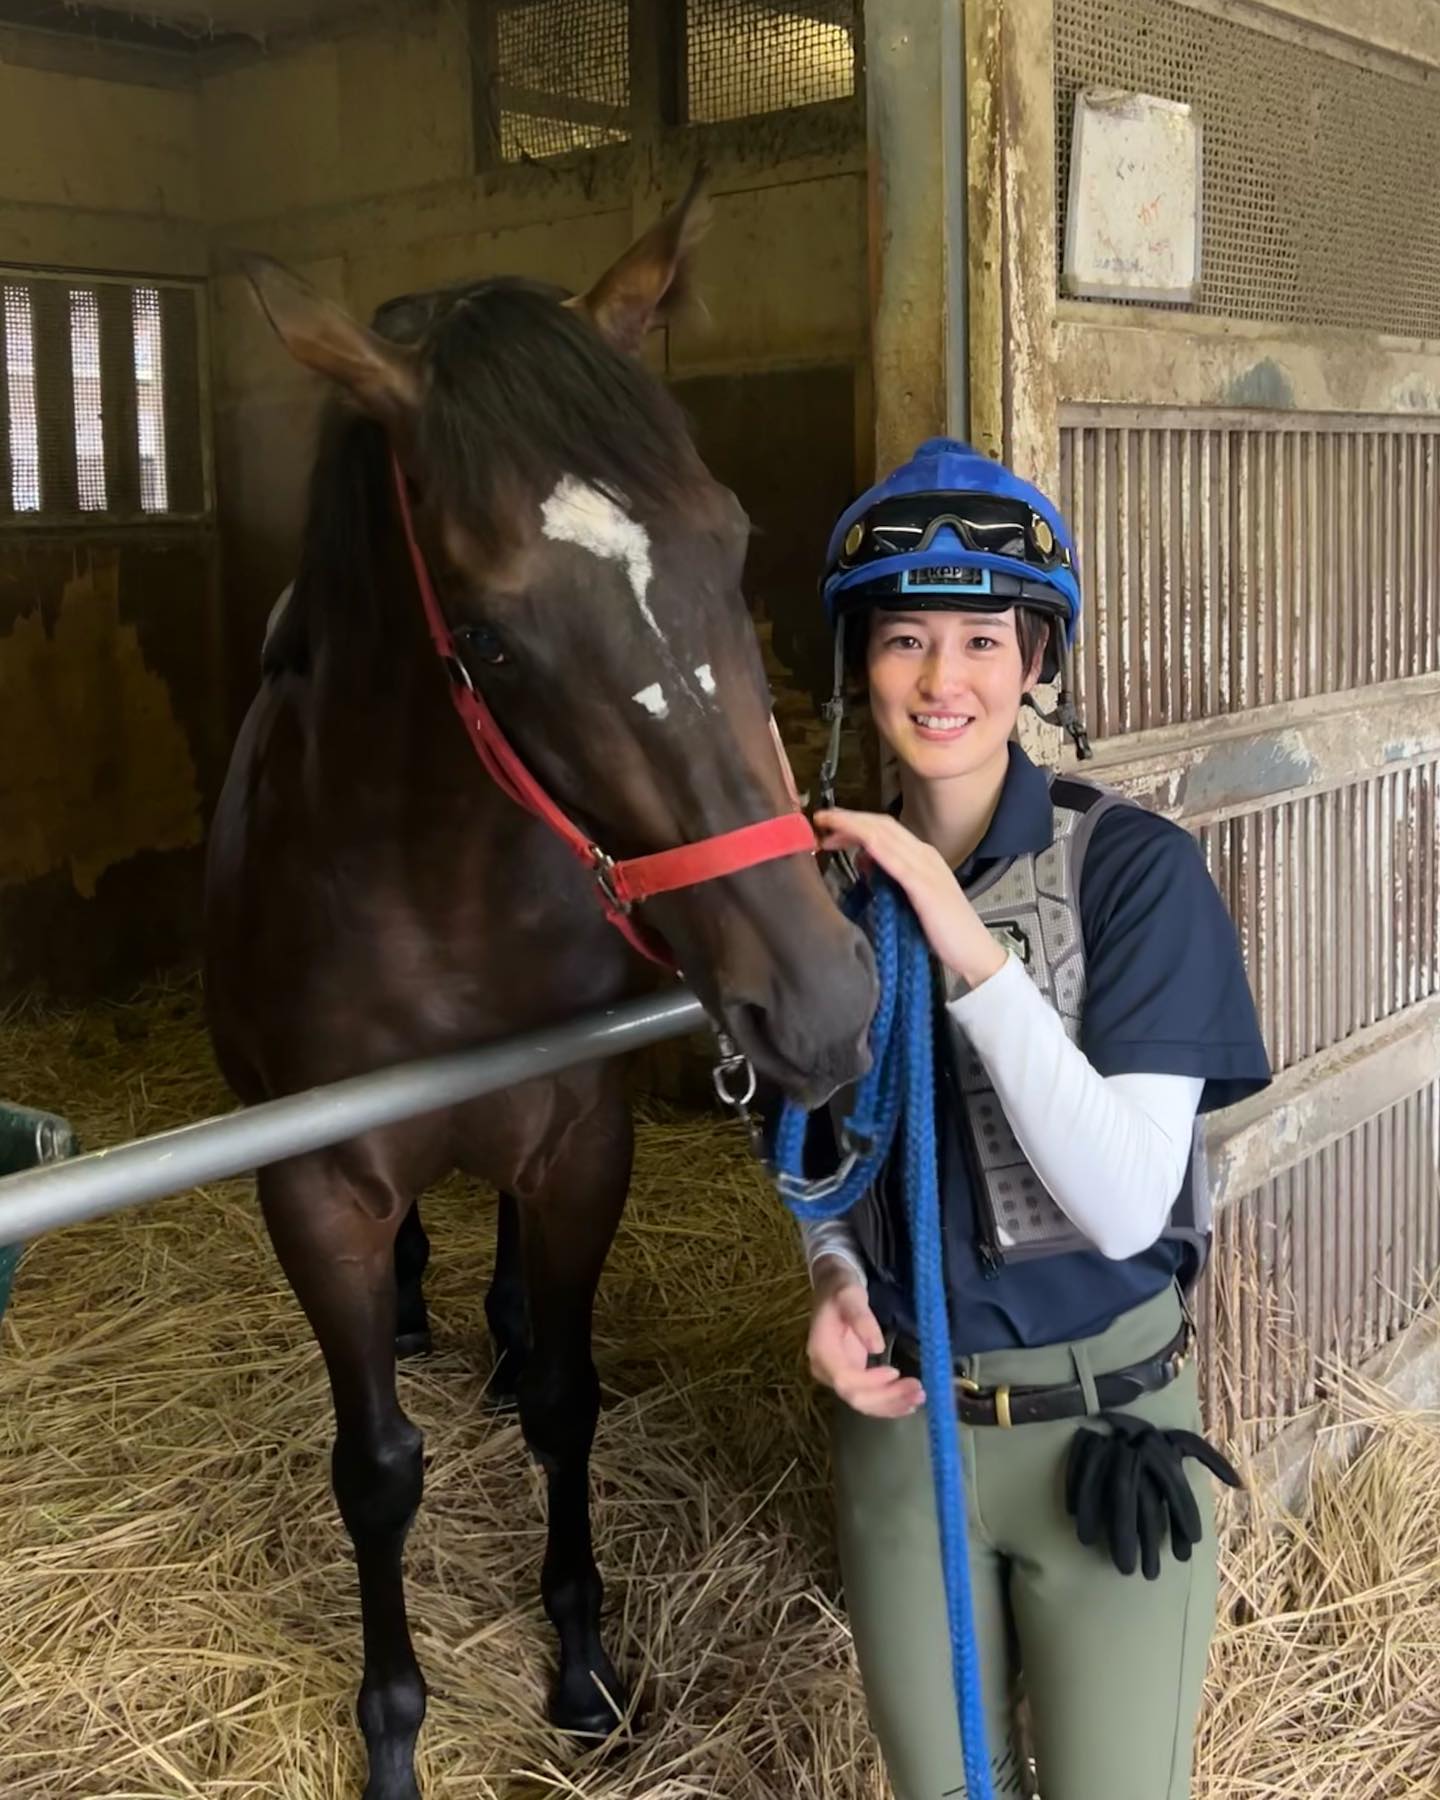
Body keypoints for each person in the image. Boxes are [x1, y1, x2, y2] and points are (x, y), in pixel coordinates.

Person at [795, 439, 1271, 1800]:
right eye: (903, 640)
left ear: (1037, 658)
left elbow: (1126, 1200)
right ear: (860, 663)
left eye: (982, 640)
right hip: (906, 1438)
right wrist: (830, 1279)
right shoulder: (823, 901)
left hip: (1097, 1433)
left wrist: (961, 940)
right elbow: (820, 1160)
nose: (944, 682)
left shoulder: (1133, 871)